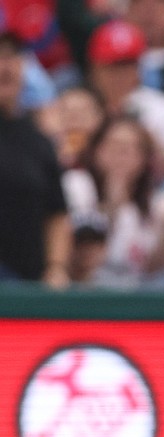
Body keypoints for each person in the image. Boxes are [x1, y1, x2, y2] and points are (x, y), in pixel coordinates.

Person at [61, 116, 164, 287]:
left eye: (131, 148)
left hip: (135, 298)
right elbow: (80, 255)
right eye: (114, 145)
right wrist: (112, 207)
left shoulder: (153, 203)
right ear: (96, 149)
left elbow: (159, 270)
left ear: (144, 159)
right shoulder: (77, 183)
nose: (121, 155)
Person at [0, 29, 71, 288]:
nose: (4, 66)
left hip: (27, 288)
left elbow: (57, 213)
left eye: (11, 57)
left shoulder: (39, 141)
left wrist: (56, 268)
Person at [86, 20, 164, 179]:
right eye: (113, 65)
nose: (121, 74)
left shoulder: (162, 109)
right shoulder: (80, 108)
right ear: (95, 69)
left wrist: (149, 143)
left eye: (128, 64)